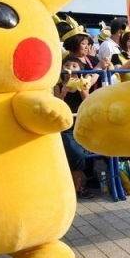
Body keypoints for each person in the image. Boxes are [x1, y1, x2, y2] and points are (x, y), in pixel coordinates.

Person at [54, 58, 95, 199]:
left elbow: (88, 101)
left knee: (85, 153)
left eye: (74, 65)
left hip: (81, 124)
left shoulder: (83, 83)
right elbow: (57, 106)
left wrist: (81, 87)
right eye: (66, 65)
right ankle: (76, 188)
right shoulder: (58, 85)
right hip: (66, 126)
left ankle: (83, 184)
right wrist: (64, 92)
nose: (70, 68)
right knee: (77, 154)